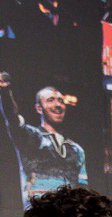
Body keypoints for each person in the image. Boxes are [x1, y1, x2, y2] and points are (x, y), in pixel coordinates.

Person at [0, 75, 88, 206]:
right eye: (51, 100)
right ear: (39, 108)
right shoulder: (31, 137)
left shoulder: (76, 149)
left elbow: (83, 191)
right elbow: (12, 119)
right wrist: (5, 90)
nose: (58, 105)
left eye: (61, 101)